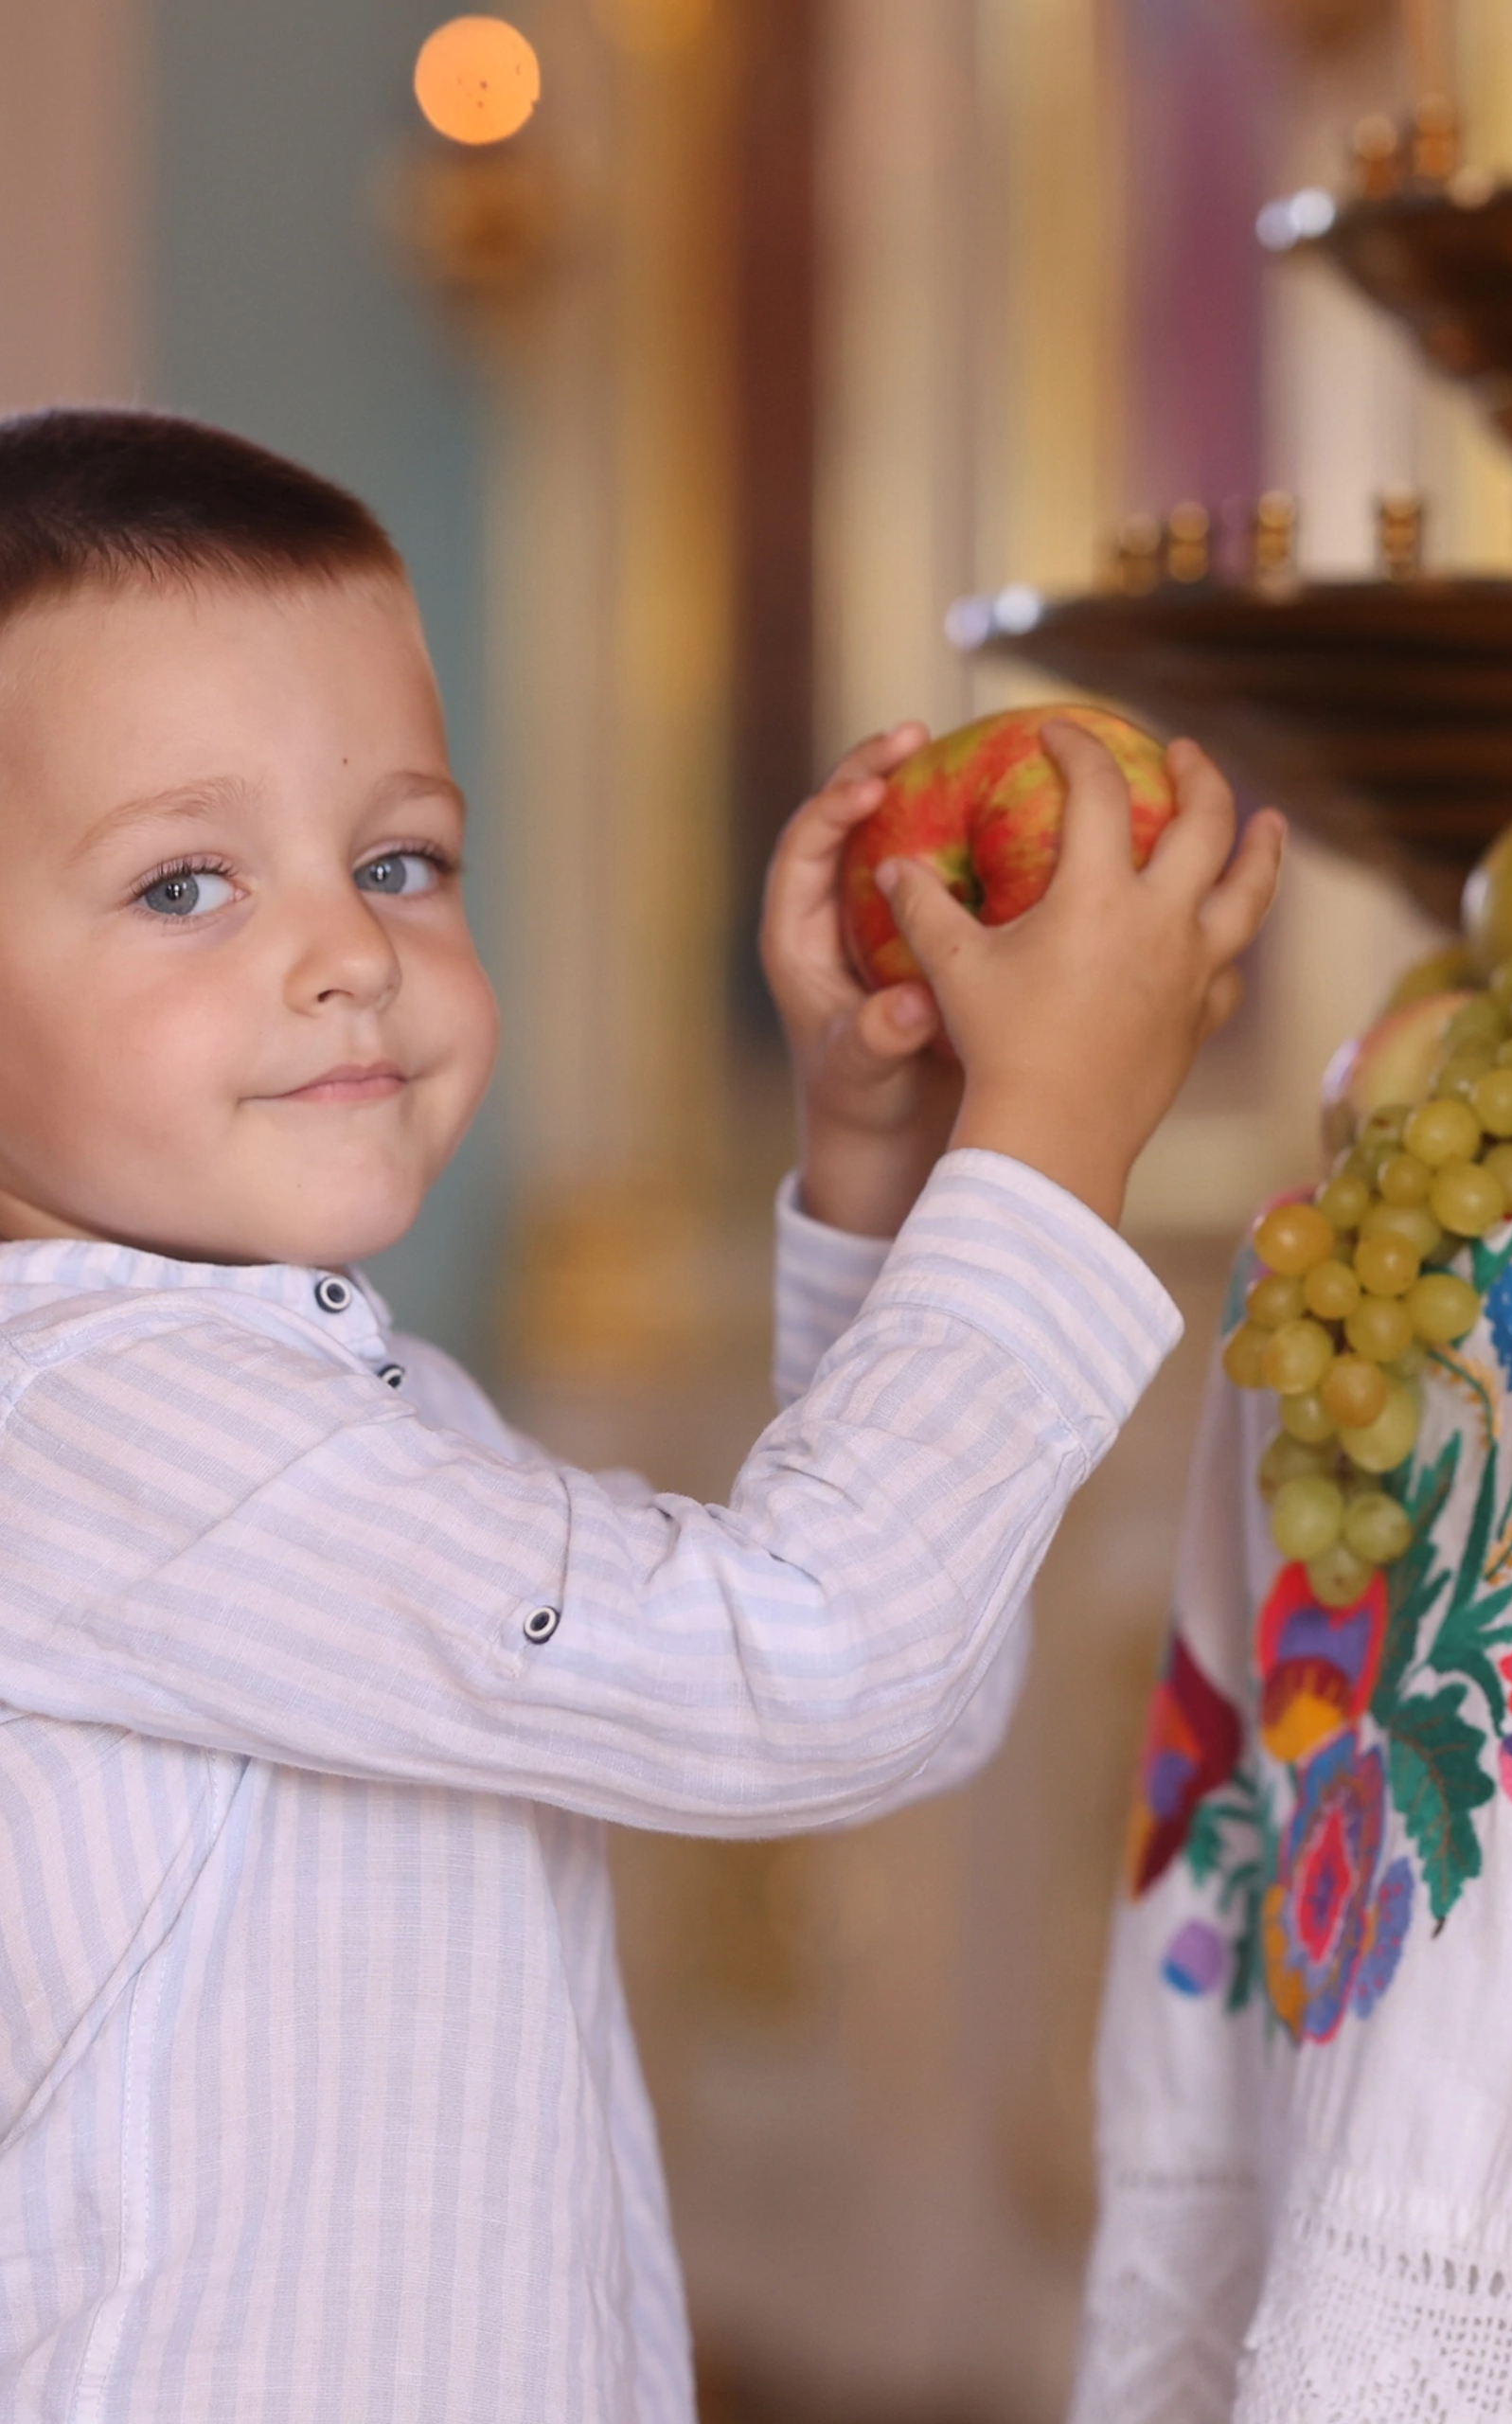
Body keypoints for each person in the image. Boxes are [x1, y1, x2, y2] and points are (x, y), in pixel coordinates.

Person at [0, 407, 1283, 2419]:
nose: (347, 951)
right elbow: (818, 1669)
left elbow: (882, 1699)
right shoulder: (102, 1439)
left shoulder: (307, 1401)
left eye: (400, 858)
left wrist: (890, 1172)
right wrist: (1047, 1145)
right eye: (184, 885)